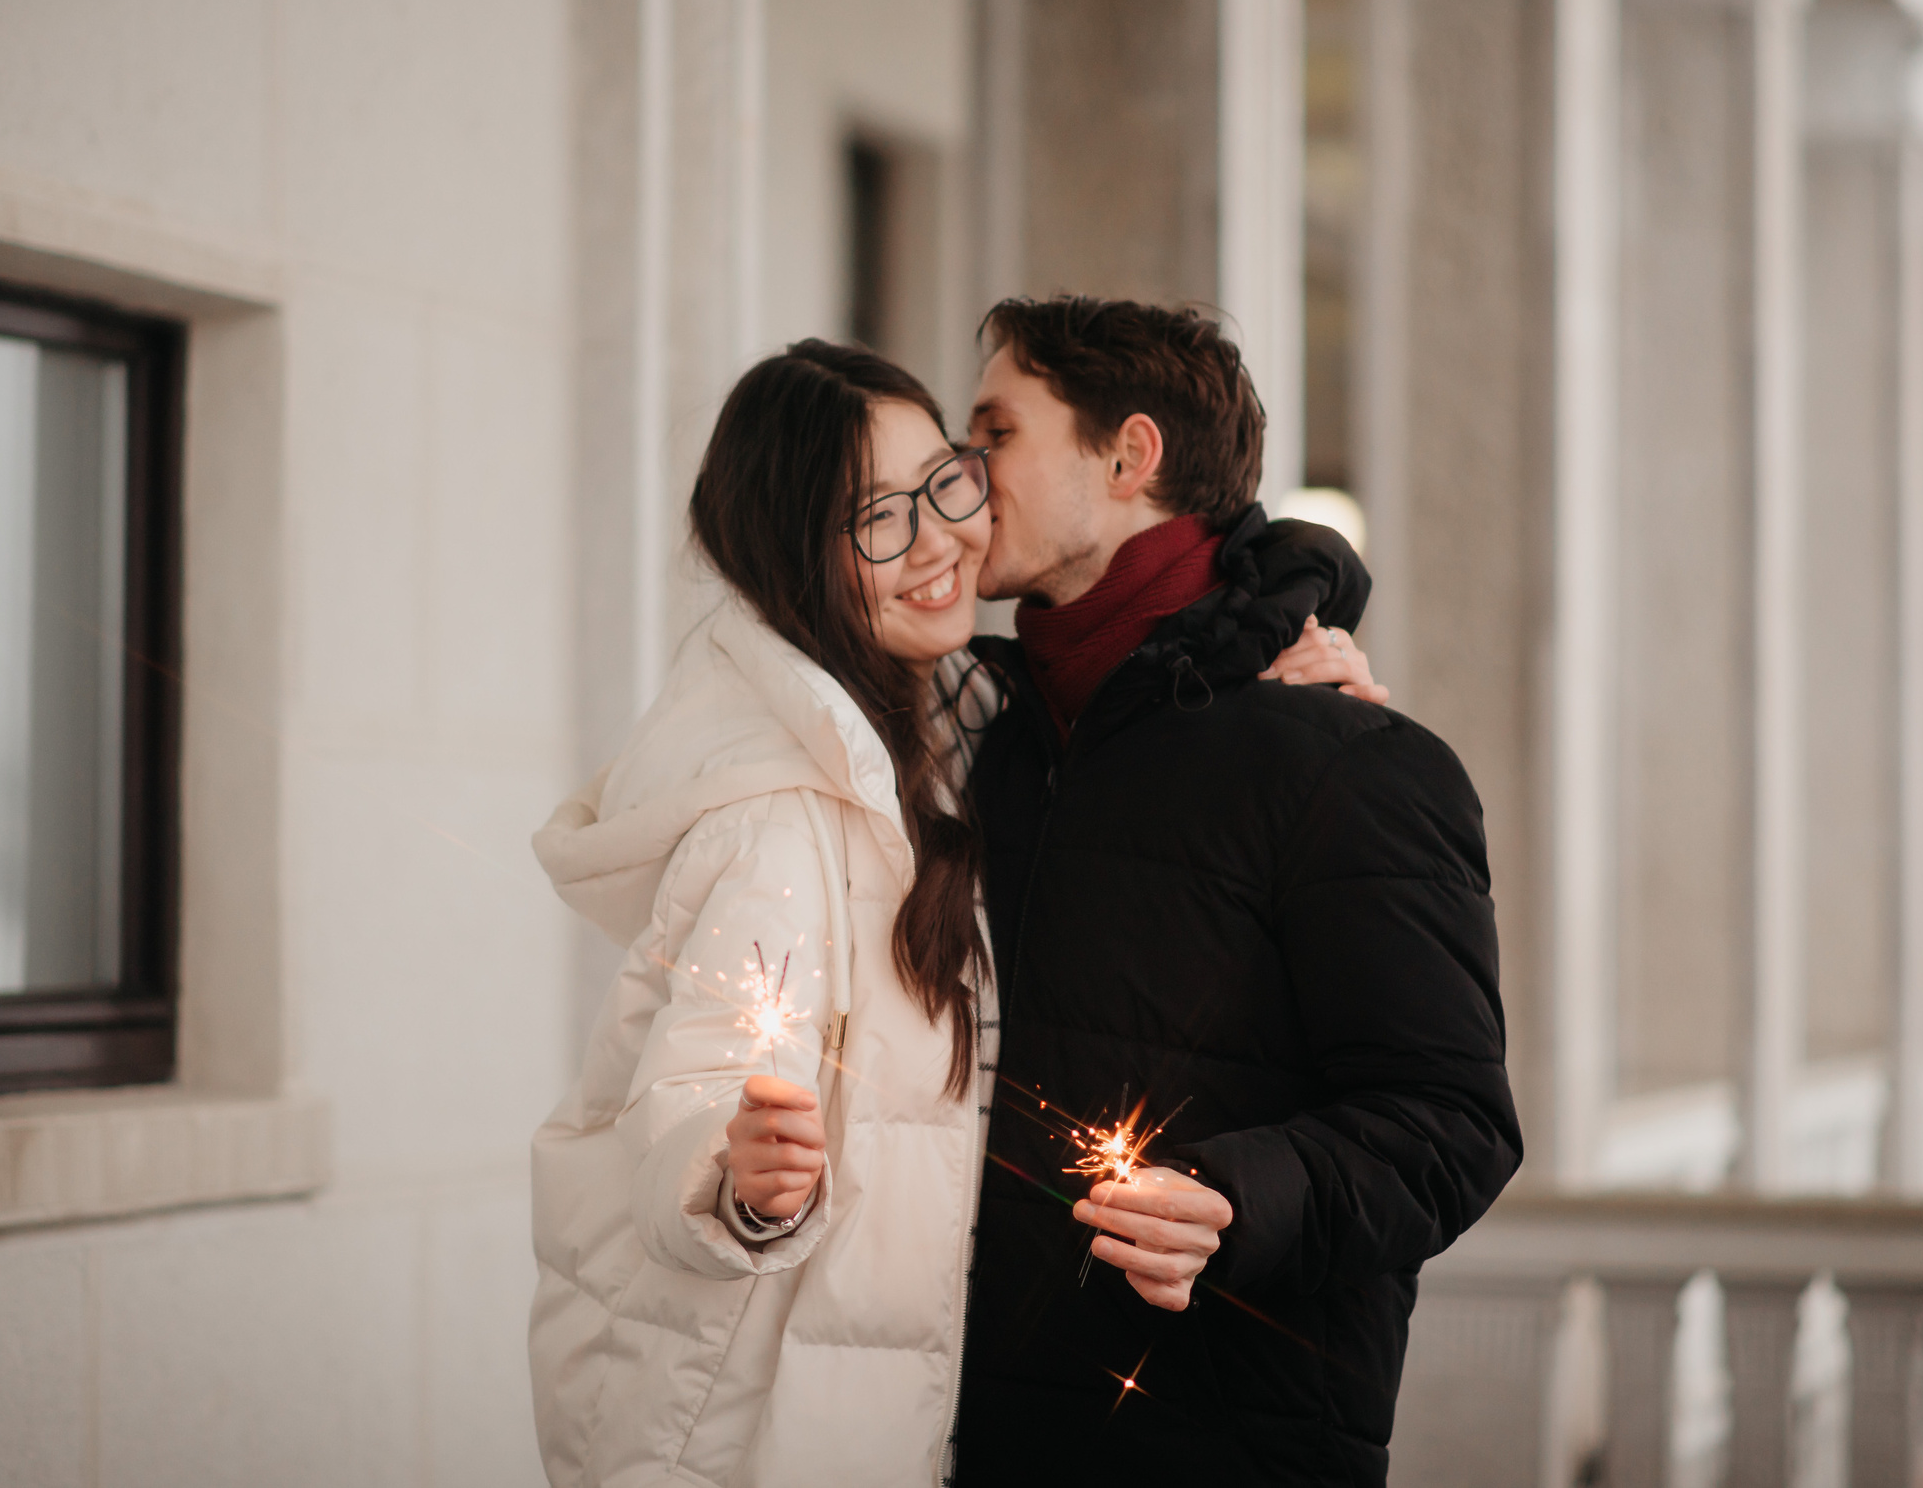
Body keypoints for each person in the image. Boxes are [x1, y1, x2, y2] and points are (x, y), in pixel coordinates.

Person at [528, 341, 1378, 1487]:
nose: (939, 541)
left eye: (946, 480)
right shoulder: (775, 818)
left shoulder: (947, 724)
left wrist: (1283, 683)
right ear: (792, 562)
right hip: (739, 1428)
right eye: (876, 518)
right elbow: (698, 1092)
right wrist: (736, 1177)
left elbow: (1112, 694)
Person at [949, 295, 1522, 1485]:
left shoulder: (1350, 760)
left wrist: (1229, 1195)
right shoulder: (984, 744)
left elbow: (1451, 1126)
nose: (963, 472)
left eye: (996, 430)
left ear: (1129, 453)